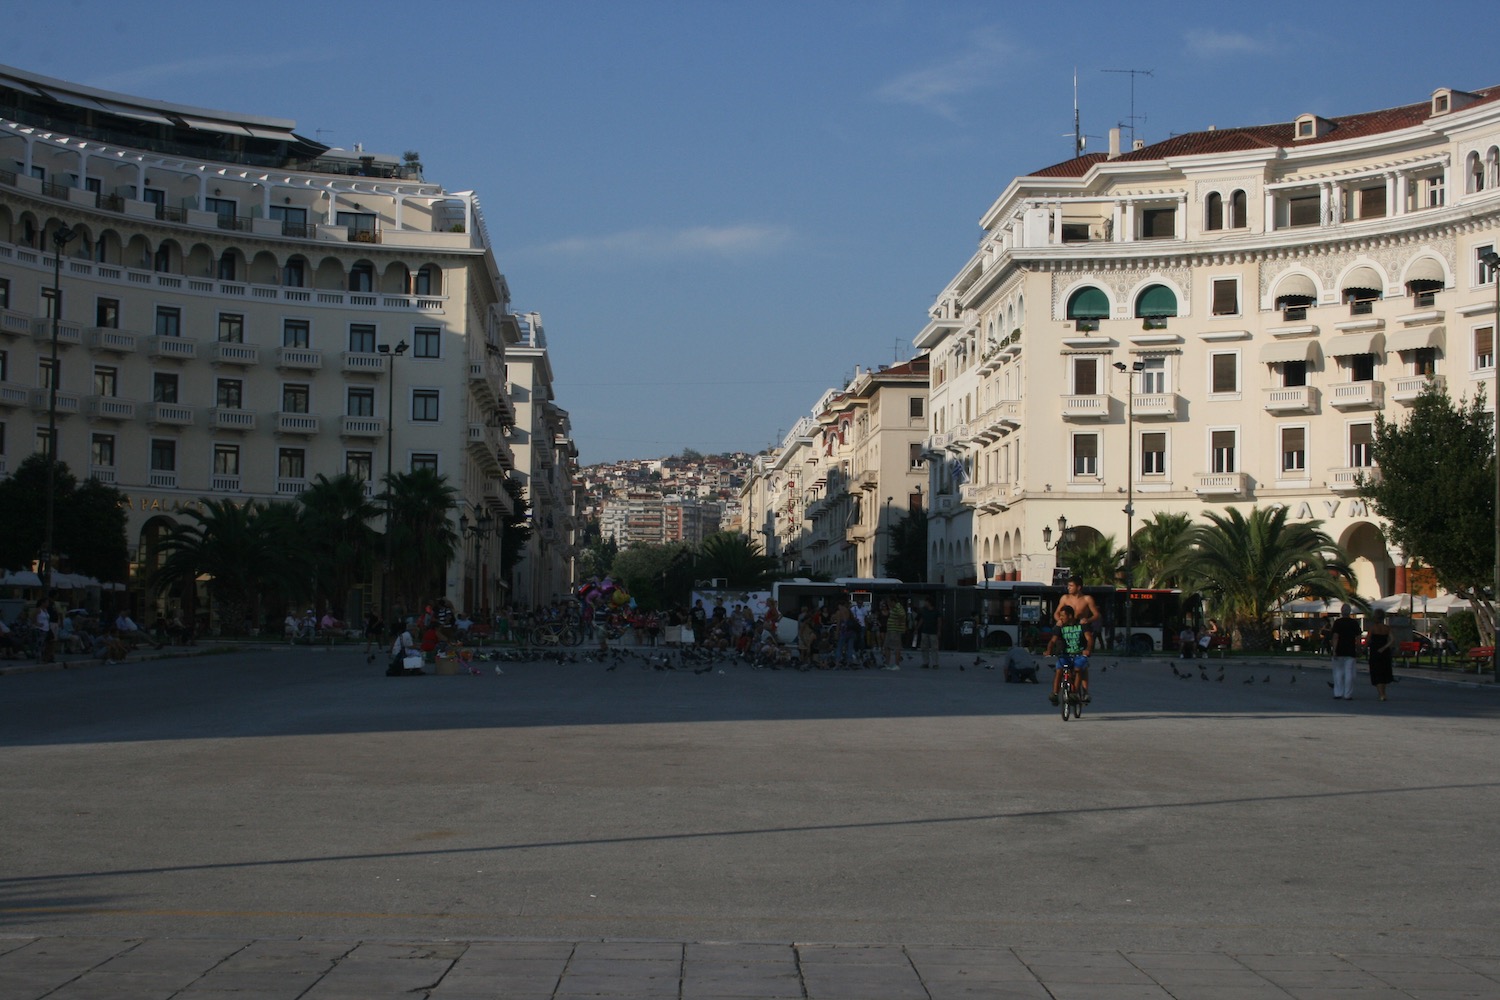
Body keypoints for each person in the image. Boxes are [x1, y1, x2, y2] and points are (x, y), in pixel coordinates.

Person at [1047, 604, 1094, 705]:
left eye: (1063, 616)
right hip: (1065, 654)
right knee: (1059, 670)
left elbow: (1089, 638)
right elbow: (1052, 641)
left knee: (1078, 669)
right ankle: (1055, 694)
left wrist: (1088, 649)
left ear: (1070, 616)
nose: (1061, 618)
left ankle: (1075, 693)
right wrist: (1049, 650)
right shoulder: (1060, 627)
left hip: (1079, 654)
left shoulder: (1081, 625)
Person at [1323, 603, 1362, 700]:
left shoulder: (1338, 623)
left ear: (1341, 611)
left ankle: (1338, 693)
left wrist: (1334, 650)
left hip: (1339, 649)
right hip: (1350, 650)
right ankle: (1348, 694)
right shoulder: (1354, 623)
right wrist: (1358, 648)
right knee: (1349, 672)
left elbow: (1335, 637)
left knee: (1338, 672)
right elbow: (1358, 637)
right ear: (1350, 612)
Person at [1365, 608, 1395, 702]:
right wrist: (1385, 647)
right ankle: (1383, 693)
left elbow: (1368, 640)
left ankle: (1381, 694)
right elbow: (1392, 639)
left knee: (1377, 673)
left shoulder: (1372, 628)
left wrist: (1364, 647)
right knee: (1384, 672)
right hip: (1385, 652)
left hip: (1375, 652)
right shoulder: (1387, 628)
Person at [882, 596, 907, 670]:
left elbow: (902, 615)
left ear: (893, 601)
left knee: (896, 647)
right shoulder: (893, 608)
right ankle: (887, 664)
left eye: (889, 602)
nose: (888, 604)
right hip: (890, 630)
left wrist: (899, 622)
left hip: (895, 631)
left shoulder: (898, 606)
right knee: (886, 646)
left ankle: (897, 664)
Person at [916, 598, 942, 669]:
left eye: (926, 602)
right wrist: (917, 628)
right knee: (924, 648)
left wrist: (939, 631)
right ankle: (925, 662)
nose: (924, 603)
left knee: (934, 648)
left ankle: (935, 663)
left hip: (933, 632)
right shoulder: (924, 610)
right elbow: (922, 619)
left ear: (929, 602)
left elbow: (939, 621)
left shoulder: (936, 611)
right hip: (925, 631)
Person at [34, 597, 57, 664]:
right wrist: (37, 623)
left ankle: (45, 657)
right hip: (40, 629)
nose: (48, 604)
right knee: (40, 643)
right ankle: (38, 658)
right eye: (46, 602)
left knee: (46, 643)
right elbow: (32, 617)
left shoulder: (45, 610)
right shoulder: (38, 610)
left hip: (46, 628)